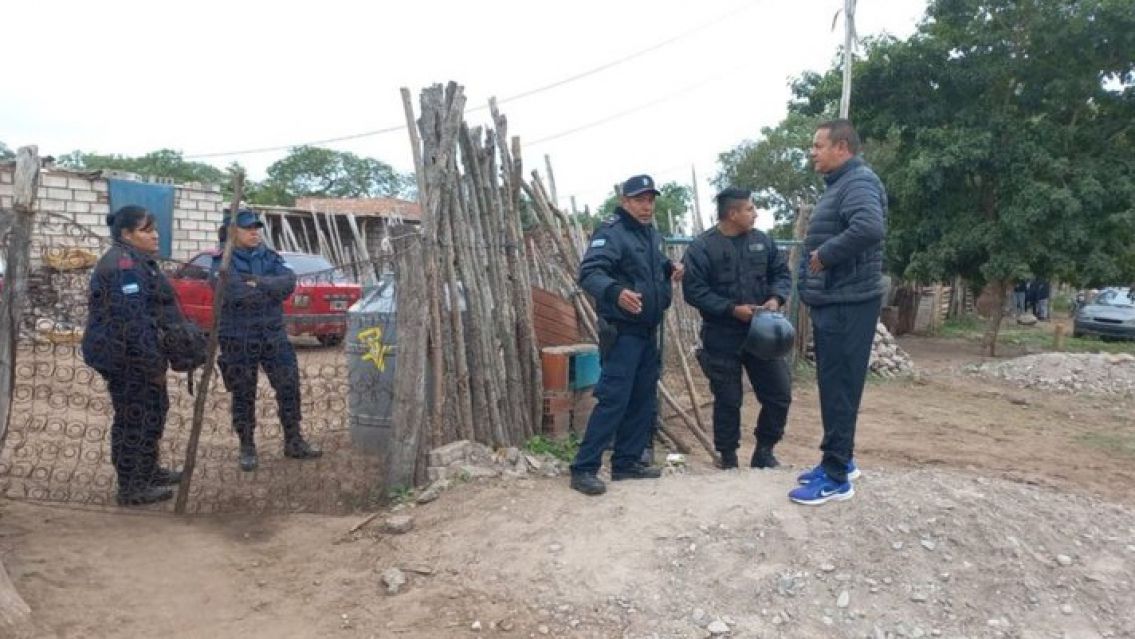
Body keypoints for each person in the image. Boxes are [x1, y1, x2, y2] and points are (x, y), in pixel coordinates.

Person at [790, 119, 886, 506]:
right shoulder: (842, 185)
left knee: (841, 388)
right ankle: (840, 460)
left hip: (849, 299)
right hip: (838, 298)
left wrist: (825, 255)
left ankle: (835, 478)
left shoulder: (858, 182)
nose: (812, 152)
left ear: (841, 147)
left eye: (818, 145)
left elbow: (869, 227)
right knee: (834, 387)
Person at [568, 175, 684, 496]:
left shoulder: (650, 234)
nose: (647, 206)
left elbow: (651, 267)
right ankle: (584, 468)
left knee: (642, 398)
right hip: (622, 332)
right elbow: (589, 273)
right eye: (639, 200)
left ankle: (626, 463)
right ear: (624, 201)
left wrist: (670, 268)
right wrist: (616, 292)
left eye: (650, 200)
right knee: (613, 399)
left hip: (648, 330)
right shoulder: (612, 232)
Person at [681, 187, 792, 470]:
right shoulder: (702, 248)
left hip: (763, 333)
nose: (755, 214)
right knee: (728, 399)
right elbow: (694, 291)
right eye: (750, 209)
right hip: (722, 334)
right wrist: (731, 309)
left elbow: (781, 274)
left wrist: (775, 298)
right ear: (732, 213)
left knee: (779, 393)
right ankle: (728, 457)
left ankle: (764, 452)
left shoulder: (763, 242)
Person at [82, 205, 184, 506]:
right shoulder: (122, 266)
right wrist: (153, 366)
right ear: (127, 234)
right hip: (125, 358)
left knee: (154, 411)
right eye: (146, 230)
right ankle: (131, 487)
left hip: (135, 354)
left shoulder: (139, 261)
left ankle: (148, 471)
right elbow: (133, 323)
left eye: (154, 229)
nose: (155, 235)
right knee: (134, 418)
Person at [211, 209, 321, 471]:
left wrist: (256, 283)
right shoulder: (222, 261)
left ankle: (294, 440)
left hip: (273, 333)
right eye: (248, 228)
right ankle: (247, 445)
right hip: (238, 335)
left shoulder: (269, 256)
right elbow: (234, 294)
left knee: (288, 385)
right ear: (232, 232)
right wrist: (268, 287)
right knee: (243, 391)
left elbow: (288, 283)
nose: (254, 232)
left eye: (256, 228)